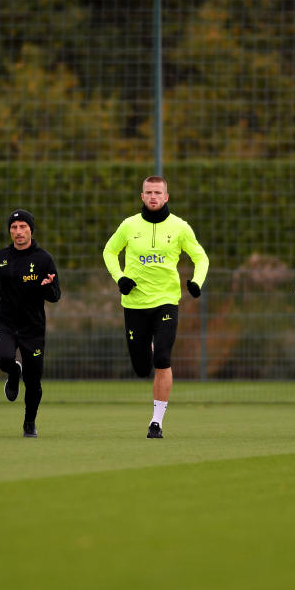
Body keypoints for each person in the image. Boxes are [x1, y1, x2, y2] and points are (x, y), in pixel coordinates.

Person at [103, 175, 209, 439]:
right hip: (135, 303)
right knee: (141, 368)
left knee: (162, 358)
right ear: (142, 197)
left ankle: (156, 422)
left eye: (157, 193)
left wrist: (196, 282)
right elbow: (108, 251)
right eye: (148, 192)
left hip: (166, 302)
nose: (153, 197)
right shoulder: (129, 225)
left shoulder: (180, 227)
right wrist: (121, 278)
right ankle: (148, 346)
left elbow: (201, 257)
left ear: (166, 197)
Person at [0, 209, 61, 438]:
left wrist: (46, 286)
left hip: (33, 328)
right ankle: (13, 371)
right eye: (14, 227)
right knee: (4, 358)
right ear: (10, 231)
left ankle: (29, 422)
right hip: (5, 323)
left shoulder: (44, 259)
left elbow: (55, 295)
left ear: (30, 229)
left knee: (34, 381)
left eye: (23, 227)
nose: (18, 232)